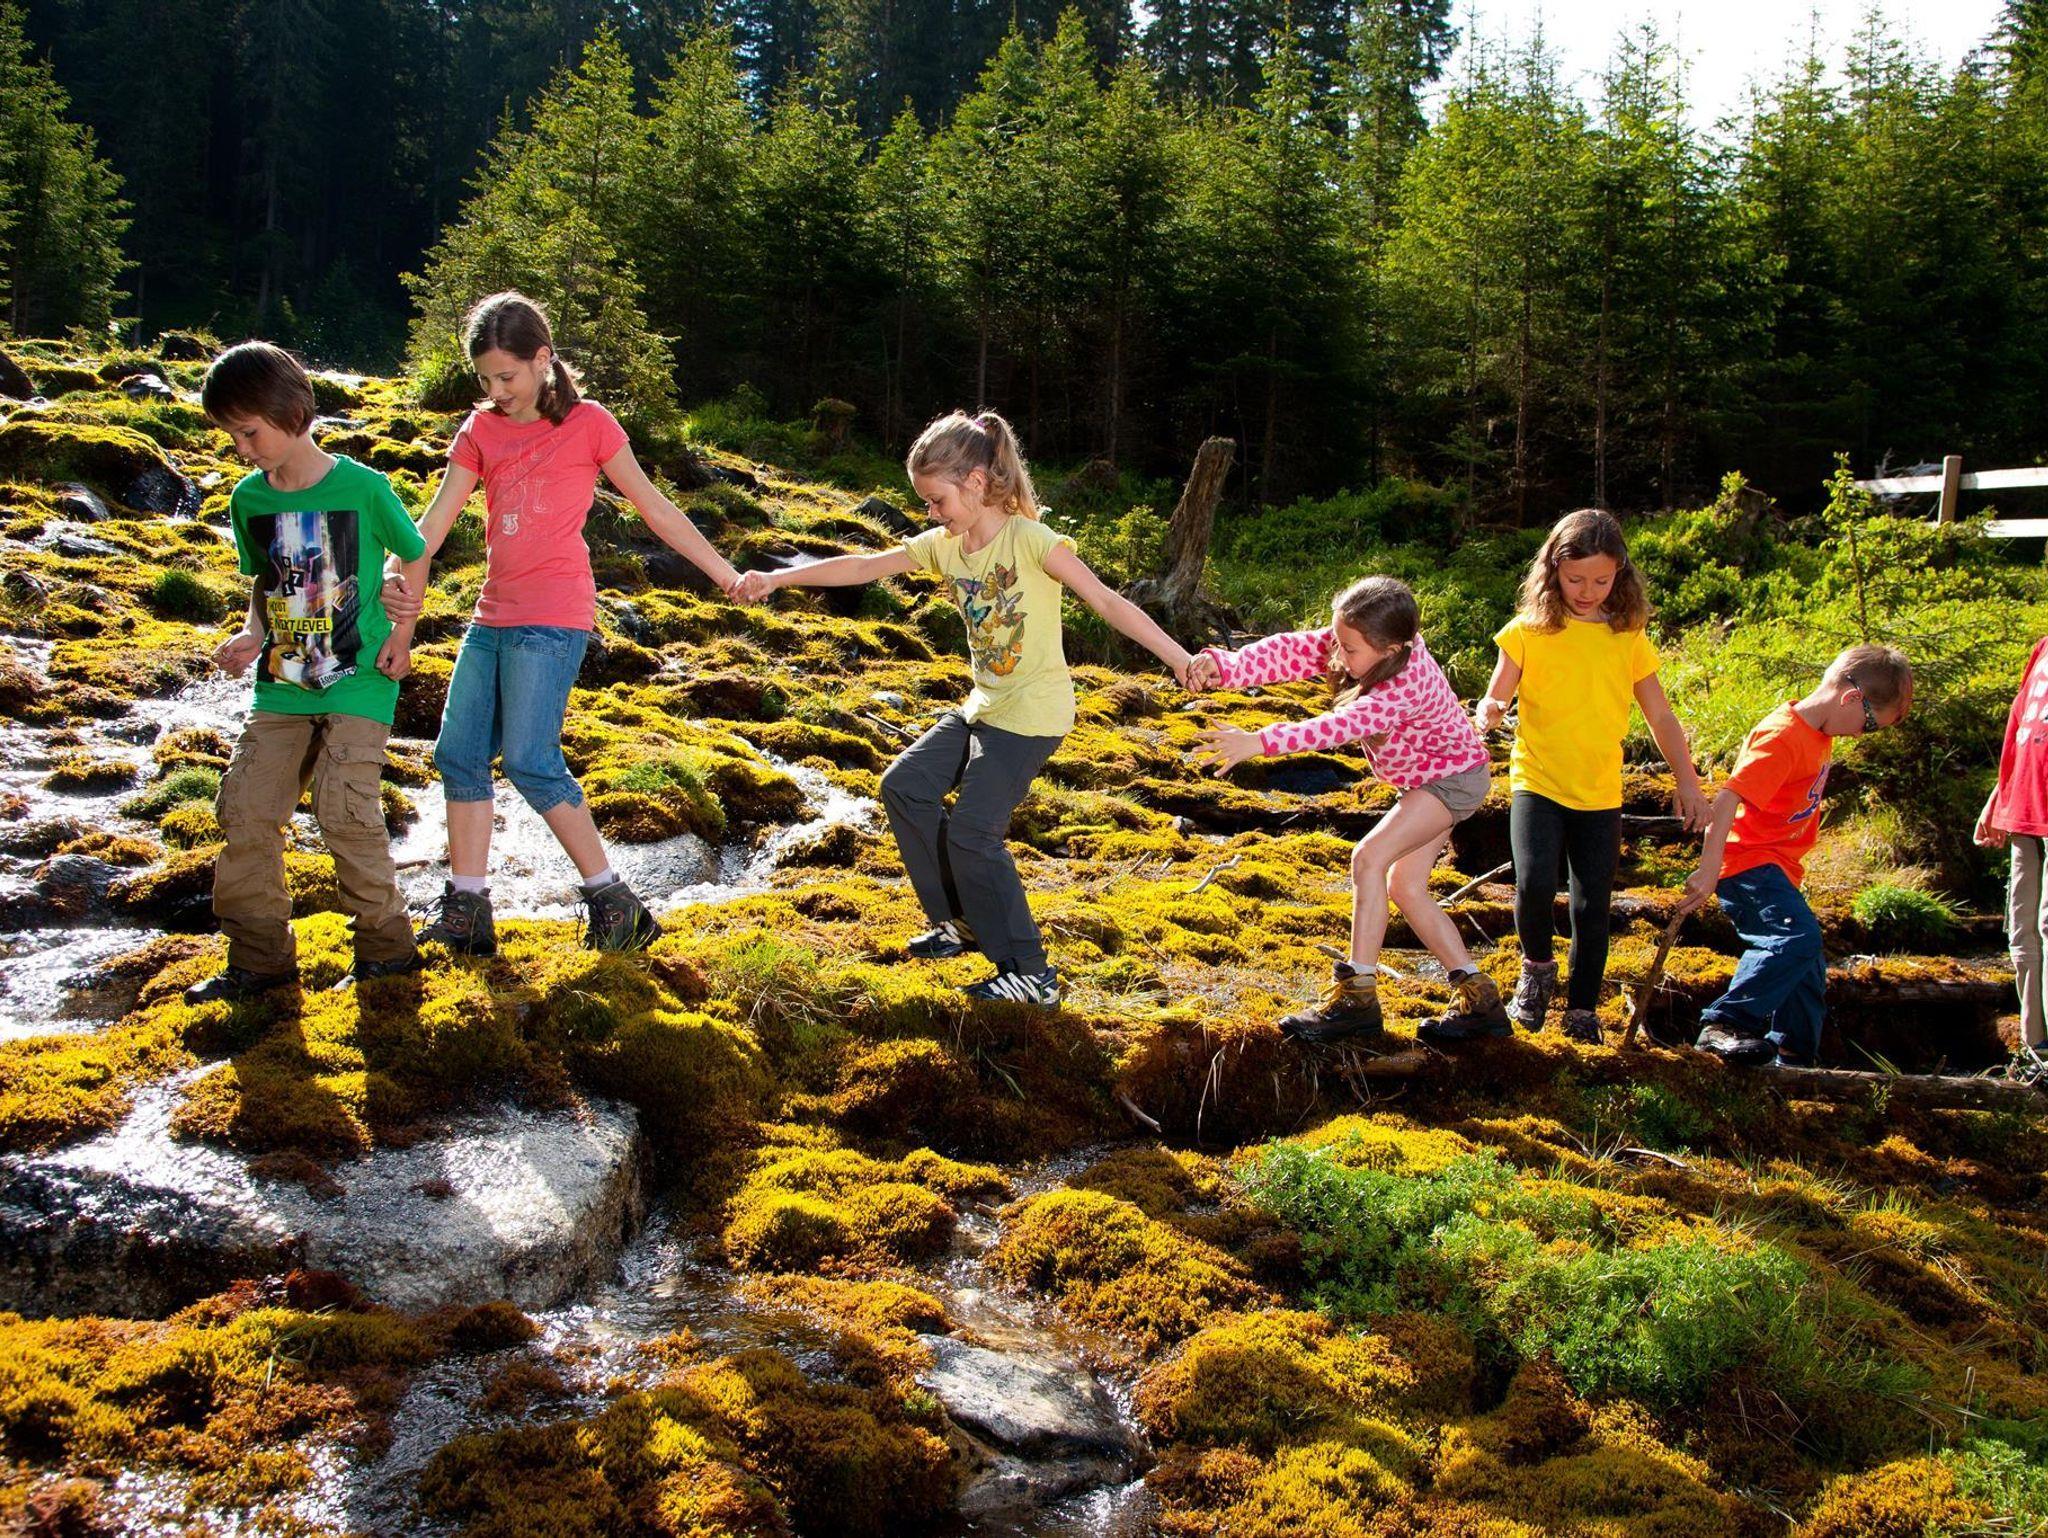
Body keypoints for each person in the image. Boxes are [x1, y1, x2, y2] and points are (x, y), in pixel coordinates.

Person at [733, 410, 1194, 1006]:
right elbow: (865, 566)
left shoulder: (1031, 541)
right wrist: (777, 579)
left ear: (976, 483)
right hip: (984, 706)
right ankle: (961, 920)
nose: (931, 513)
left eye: (937, 500)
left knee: (974, 834)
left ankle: (1031, 973)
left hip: (1031, 715)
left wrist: (1181, 659)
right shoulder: (946, 546)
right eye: (926, 502)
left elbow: (1107, 602)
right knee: (905, 787)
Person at [389, 291, 743, 955]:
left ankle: (616, 905)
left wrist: (724, 573)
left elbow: (655, 508)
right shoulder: (480, 430)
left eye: (507, 377)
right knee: (458, 754)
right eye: (486, 380)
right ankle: (468, 910)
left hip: (554, 616)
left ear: (543, 359)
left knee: (530, 760)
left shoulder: (589, 423)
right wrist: (396, 576)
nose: (497, 392)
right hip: (492, 613)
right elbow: (433, 524)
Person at [186, 341, 430, 1003]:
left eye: (249, 432)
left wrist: (402, 634)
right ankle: (260, 962)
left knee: (343, 810)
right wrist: (251, 633)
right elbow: (265, 583)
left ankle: (387, 954)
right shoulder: (248, 500)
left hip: (360, 677)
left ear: (291, 412)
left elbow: (414, 553)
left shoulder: (365, 488)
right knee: (246, 811)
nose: (242, 448)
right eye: (231, 435)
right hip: (280, 684)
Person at [1189, 577, 1506, 1046]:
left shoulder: (1402, 687)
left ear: (1392, 649)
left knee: (1368, 858)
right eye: (1338, 640)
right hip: (1437, 777)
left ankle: (1358, 998)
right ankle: (1482, 1003)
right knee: (1405, 886)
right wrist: (1225, 666)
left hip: (1451, 780)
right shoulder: (1370, 641)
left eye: (1350, 649)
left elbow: (1339, 726)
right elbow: (1293, 650)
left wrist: (1259, 741)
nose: (1338, 655)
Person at [1474, 509, 1709, 1043]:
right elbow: (1497, 695)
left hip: (1600, 792)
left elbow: (1660, 715)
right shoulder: (1527, 632)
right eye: (1575, 579)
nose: (1587, 592)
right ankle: (1536, 973)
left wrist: (1688, 781)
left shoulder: (1627, 635)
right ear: (1553, 570)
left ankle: (1582, 1009)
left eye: (1601, 581)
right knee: (1534, 883)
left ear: (1619, 573)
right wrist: (1488, 711)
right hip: (1537, 781)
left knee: (1591, 904)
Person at [1681, 644, 1912, 1067]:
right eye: (1869, 725)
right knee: (1794, 939)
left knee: (1807, 963)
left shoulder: (1818, 733)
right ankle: (1724, 1024)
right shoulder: (1783, 736)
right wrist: (1709, 868)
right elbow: (1728, 799)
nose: (1862, 735)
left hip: (1778, 868)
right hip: (1749, 865)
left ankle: (1794, 1053)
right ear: (1851, 698)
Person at [1974, 636, 2048, 1083]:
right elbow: (2022, 726)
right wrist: (1999, 795)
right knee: (2023, 931)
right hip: (2026, 809)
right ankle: (2035, 1050)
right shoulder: (2043, 648)